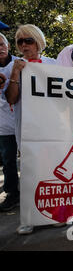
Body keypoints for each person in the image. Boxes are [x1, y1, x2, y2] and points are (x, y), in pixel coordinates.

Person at [3, 25, 57, 233]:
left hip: (52, 129)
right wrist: (16, 73)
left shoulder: (53, 64)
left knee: (51, 172)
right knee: (29, 172)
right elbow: (11, 98)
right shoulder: (14, 66)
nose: (24, 45)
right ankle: (29, 218)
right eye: (20, 42)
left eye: (29, 40)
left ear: (38, 41)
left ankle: (52, 213)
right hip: (26, 129)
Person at [0, 33, 20, 212]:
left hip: (24, 122)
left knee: (31, 159)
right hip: (4, 125)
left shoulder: (20, 63)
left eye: (2, 44)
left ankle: (31, 191)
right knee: (8, 161)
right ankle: (12, 194)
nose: (0, 48)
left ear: (8, 46)